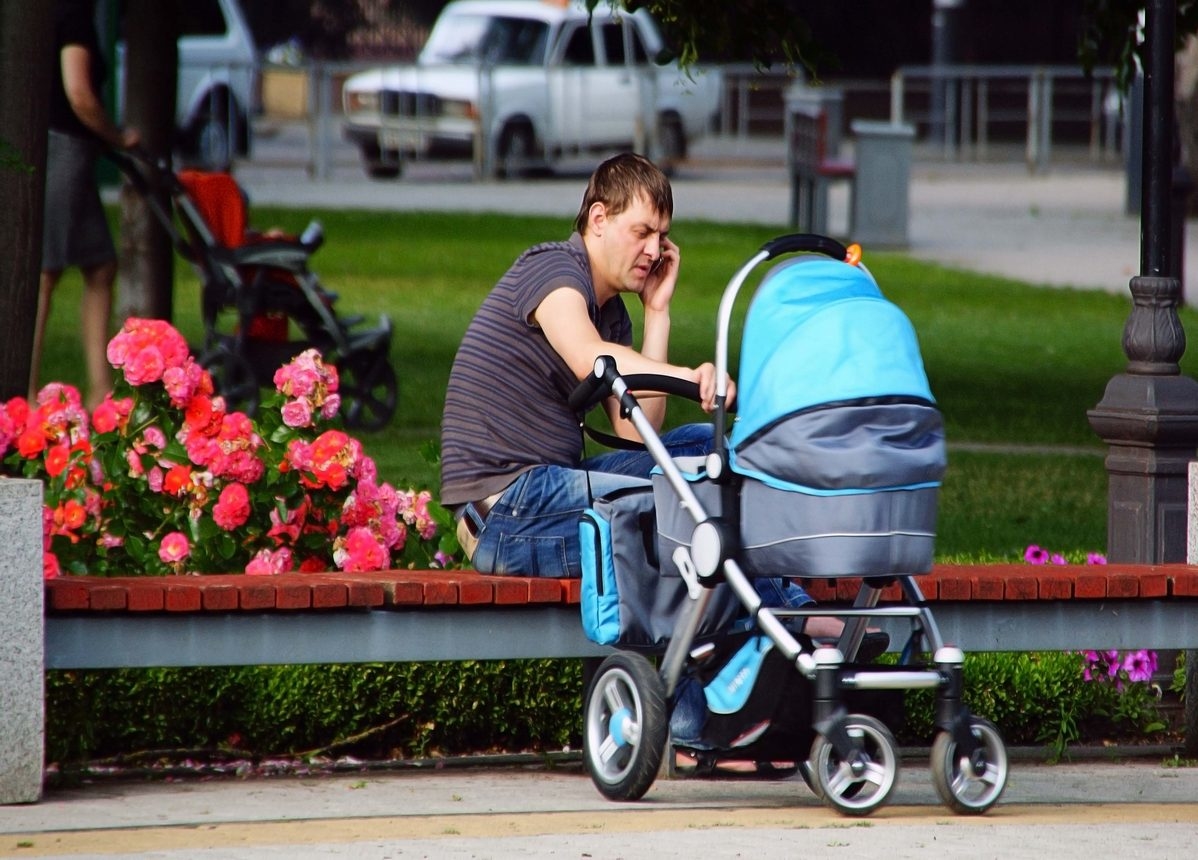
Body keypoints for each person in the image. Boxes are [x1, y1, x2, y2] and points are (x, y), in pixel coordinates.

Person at [33, 0, 141, 409]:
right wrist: (117, 136)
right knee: (44, 272)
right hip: (63, 150)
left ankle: (101, 391)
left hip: (76, 156)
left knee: (100, 265)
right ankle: (19, 393)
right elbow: (79, 93)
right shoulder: (72, 16)